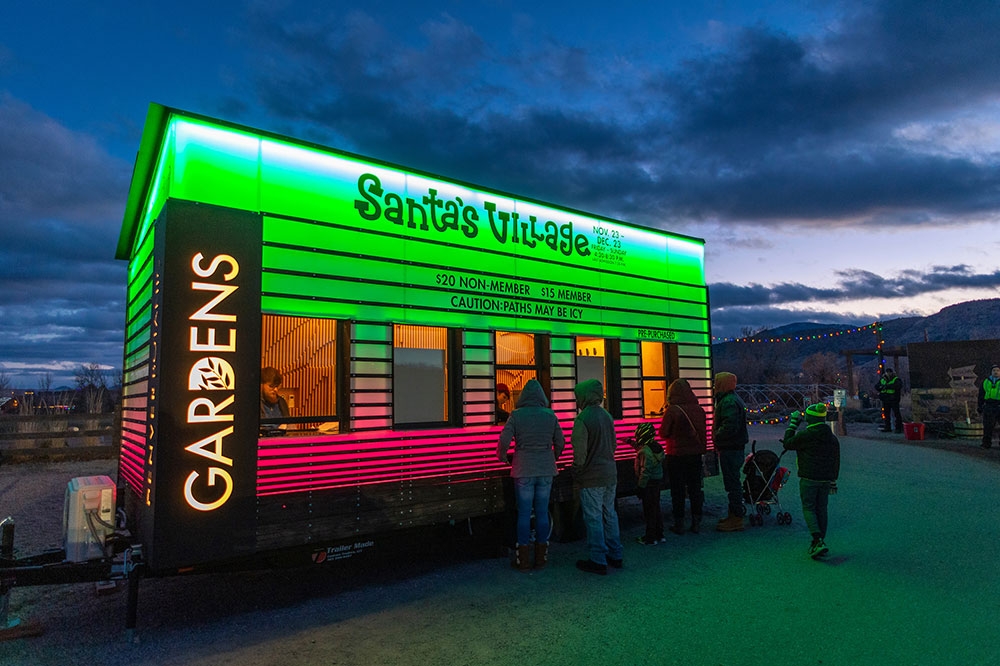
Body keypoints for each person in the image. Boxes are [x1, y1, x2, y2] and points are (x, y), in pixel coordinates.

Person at [497, 379, 566, 572]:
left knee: (524, 514)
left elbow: (504, 440)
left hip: (523, 469)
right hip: (546, 469)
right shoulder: (550, 415)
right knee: (543, 512)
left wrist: (503, 457)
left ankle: (523, 560)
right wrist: (552, 457)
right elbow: (560, 442)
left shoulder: (516, 415)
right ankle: (541, 558)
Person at [571, 379, 623, 575]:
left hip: (592, 477)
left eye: (578, 396)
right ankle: (616, 554)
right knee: (610, 514)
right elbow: (614, 445)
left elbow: (580, 454)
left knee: (593, 517)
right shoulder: (607, 416)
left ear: (584, 396)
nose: (576, 401)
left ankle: (597, 558)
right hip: (610, 473)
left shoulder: (583, 419)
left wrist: (576, 471)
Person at [782, 403, 841, 559]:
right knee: (822, 509)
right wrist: (833, 480)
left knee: (809, 508)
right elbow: (836, 460)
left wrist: (793, 424)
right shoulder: (832, 438)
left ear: (810, 418)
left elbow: (788, 443)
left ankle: (817, 540)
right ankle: (820, 540)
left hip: (808, 477)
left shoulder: (805, 436)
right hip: (825, 479)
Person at [658, 378, 707, 535]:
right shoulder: (699, 409)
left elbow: (663, 433)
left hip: (677, 456)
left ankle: (679, 523)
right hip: (695, 455)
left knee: (678, 490)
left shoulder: (673, 410)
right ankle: (696, 522)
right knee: (694, 489)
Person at [713, 372, 749, 532]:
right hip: (734, 447)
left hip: (730, 448)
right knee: (733, 482)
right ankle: (733, 515)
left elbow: (729, 426)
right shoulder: (733, 399)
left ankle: (736, 518)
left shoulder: (728, 402)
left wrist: (716, 436)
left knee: (732, 483)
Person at [631, 422, 664, 545]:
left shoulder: (644, 452)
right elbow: (642, 448)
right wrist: (630, 442)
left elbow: (645, 471)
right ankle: (659, 534)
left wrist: (640, 486)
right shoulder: (656, 447)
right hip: (656, 482)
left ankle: (650, 538)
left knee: (649, 511)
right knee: (656, 508)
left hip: (648, 484)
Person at [260, 367, 290, 432]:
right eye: (271, 386)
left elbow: (290, 424)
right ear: (261, 385)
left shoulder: (282, 402)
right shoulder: (254, 403)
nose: (275, 390)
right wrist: (278, 429)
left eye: (277, 386)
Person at [978, 364, 1000, 450]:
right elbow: (981, 395)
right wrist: (979, 406)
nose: (996, 372)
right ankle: (986, 443)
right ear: (991, 372)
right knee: (987, 426)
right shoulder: (985, 382)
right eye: (994, 370)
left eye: (998, 370)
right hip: (989, 405)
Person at [877, 367, 903, 433]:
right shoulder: (883, 379)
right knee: (887, 414)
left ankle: (898, 428)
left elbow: (898, 386)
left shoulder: (896, 379)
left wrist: (886, 386)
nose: (888, 373)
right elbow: (877, 386)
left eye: (889, 372)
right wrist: (882, 387)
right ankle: (888, 427)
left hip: (893, 399)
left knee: (896, 414)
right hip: (886, 399)